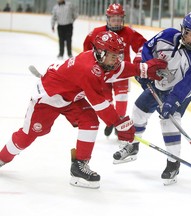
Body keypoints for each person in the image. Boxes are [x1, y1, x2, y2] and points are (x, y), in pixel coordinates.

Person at [0, 31, 167, 189]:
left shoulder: (102, 61)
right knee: (29, 135)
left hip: (71, 96)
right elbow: (100, 104)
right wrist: (118, 123)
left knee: (90, 121)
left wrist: (142, 69)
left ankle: (79, 166)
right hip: (49, 98)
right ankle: (2, 157)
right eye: (113, 55)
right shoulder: (89, 70)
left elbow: (120, 69)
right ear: (101, 53)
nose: (117, 60)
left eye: (118, 55)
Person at [113, 12, 191, 185]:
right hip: (158, 85)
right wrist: (146, 69)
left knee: (169, 122)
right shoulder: (167, 35)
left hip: (180, 94)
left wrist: (173, 101)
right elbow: (147, 48)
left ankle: (173, 163)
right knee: (138, 110)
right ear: (184, 31)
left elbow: (187, 85)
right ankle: (133, 146)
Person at [83, 3, 147, 137]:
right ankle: (111, 121)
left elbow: (144, 45)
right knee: (107, 99)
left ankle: (120, 122)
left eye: (119, 19)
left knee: (122, 96)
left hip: (121, 72)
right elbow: (87, 47)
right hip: (103, 73)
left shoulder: (129, 32)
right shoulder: (97, 32)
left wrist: (139, 60)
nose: (116, 21)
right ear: (107, 19)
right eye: (113, 18)